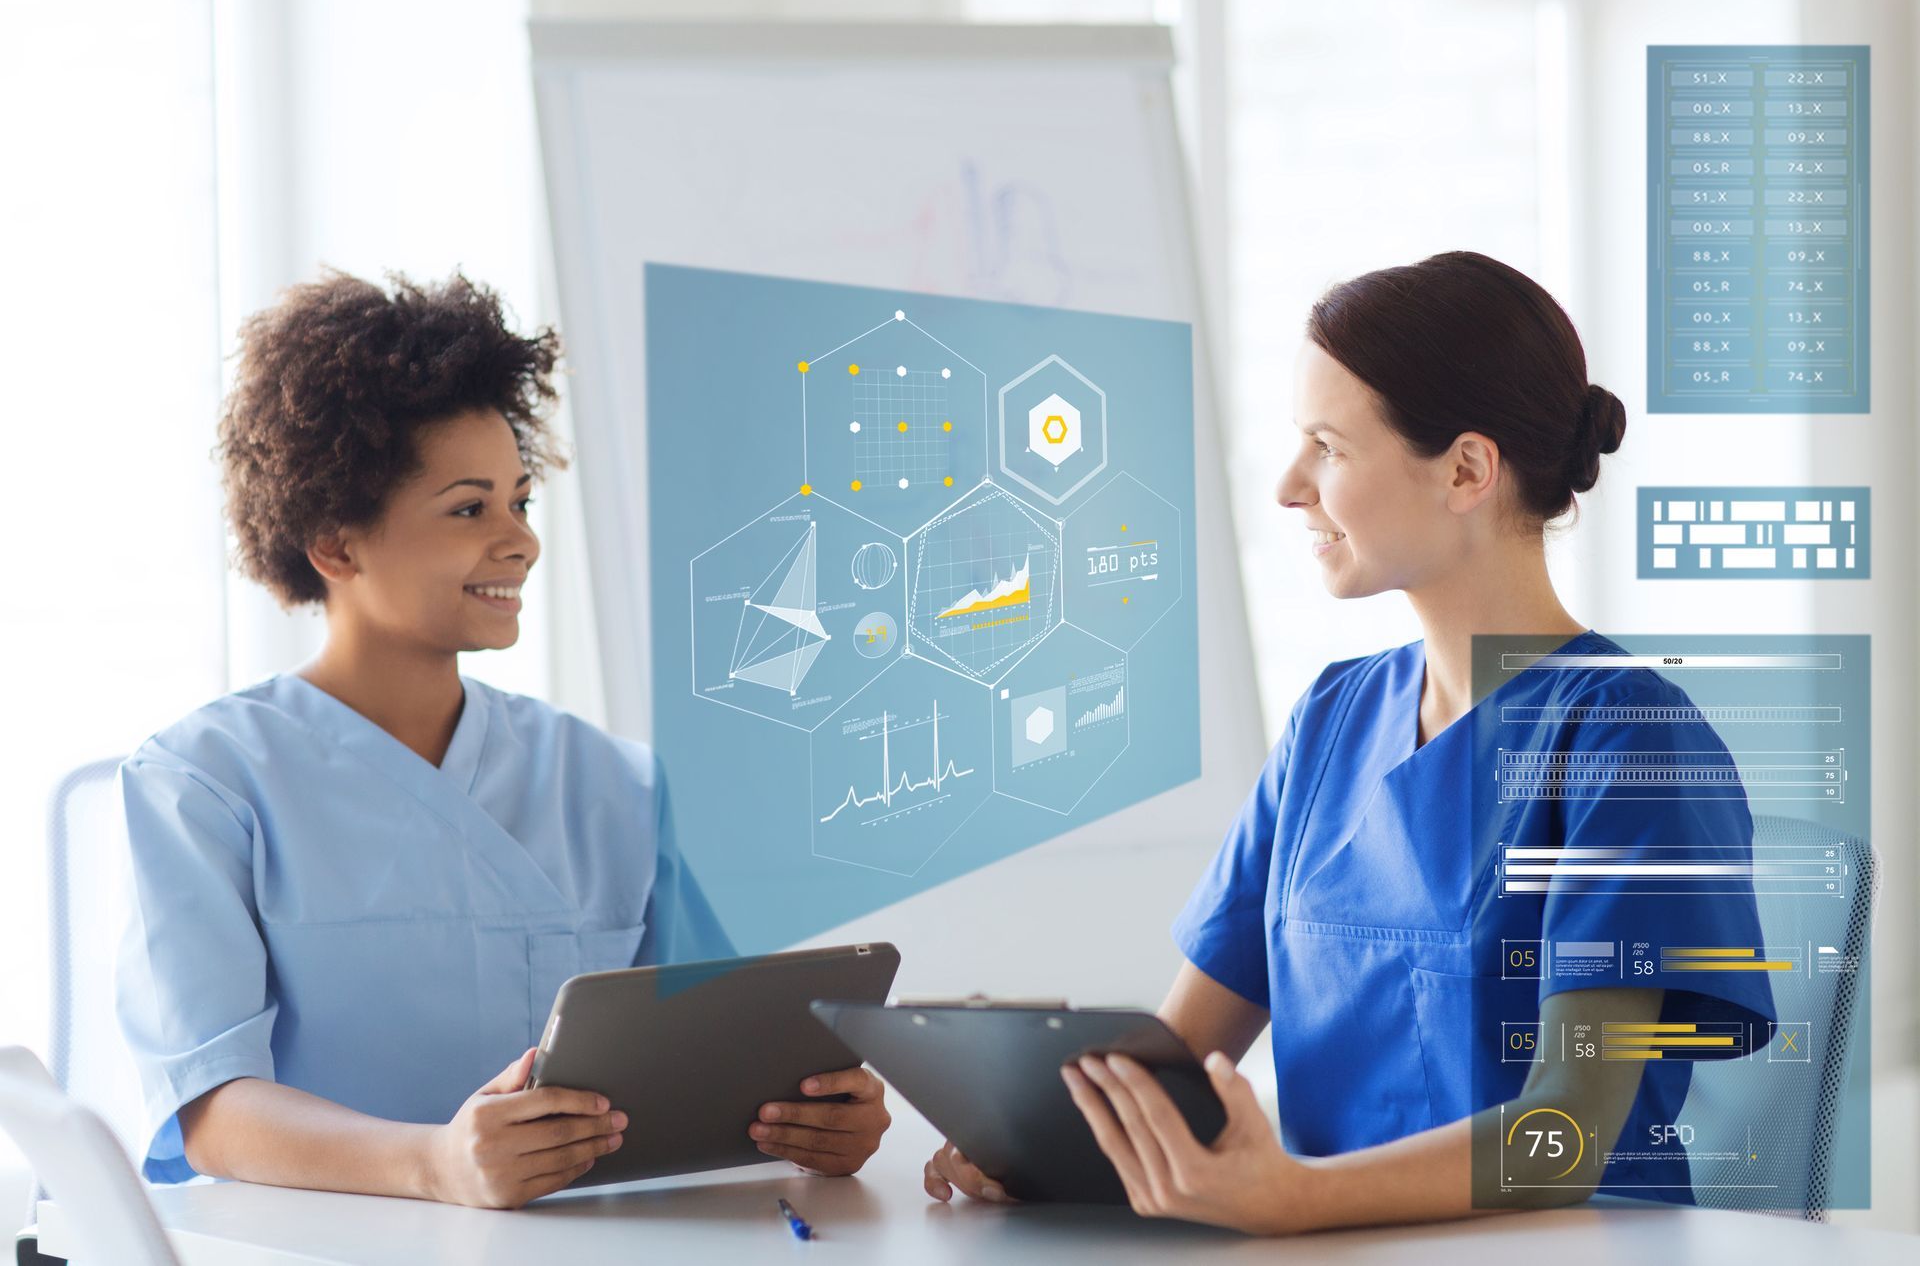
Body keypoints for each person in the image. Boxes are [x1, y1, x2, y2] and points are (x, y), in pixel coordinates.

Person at [923, 252, 1773, 1232]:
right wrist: (1040, 1131)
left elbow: (1567, 1133)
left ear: (1466, 468)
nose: (1290, 486)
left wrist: (1296, 1196)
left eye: (1327, 446)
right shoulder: (1332, 719)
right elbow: (1182, 1053)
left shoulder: (1630, 741)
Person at [117, 272, 889, 1209]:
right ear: (336, 543)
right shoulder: (204, 785)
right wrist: (434, 1165)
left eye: (522, 502)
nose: (519, 541)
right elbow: (210, 1112)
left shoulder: (615, 784)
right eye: (469, 508)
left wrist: (816, 1114)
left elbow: (721, 1050)